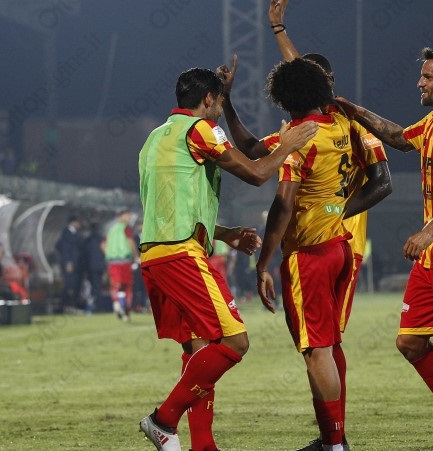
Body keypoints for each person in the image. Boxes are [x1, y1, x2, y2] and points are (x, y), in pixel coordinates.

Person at [136, 65, 318, 451]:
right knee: (235, 342)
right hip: (183, 256)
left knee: (200, 350)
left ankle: (204, 445)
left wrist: (226, 234)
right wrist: (286, 145)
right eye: (218, 102)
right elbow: (255, 173)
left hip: (155, 255)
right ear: (207, 99)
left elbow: (167, 207)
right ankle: (163, 419)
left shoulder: (153, 139)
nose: (219, 109)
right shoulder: (201, 130)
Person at [336, 45, 433, 449]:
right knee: (410, 340)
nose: (419, 83)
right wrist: (356, 110)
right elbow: (398, 137)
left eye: (427, 77)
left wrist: (430, 229)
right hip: (430, 254)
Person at [262, 2, 393, 448]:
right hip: (336, 244)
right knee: (328, 346)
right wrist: (279, 30)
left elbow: (383, 183)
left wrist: (337, 209)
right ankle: (330, 438)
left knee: (319, 348)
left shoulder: (331, 128)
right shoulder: (333, 119)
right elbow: (298, 76)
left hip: (325, 246)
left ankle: (336, 441)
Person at [104, 210, 138, 321]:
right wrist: (136, 256)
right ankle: (125, 310)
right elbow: (130, 242)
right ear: (121, 216)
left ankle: (116, 303)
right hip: (124, 261)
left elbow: (104, 244)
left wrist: (109, 254)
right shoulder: (126, 228)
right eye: (127, 215)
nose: (129, 218)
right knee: (126, 286)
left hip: (112, 261)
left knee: (115, 284)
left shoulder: (112, 229)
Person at [55, 215, 83, 312]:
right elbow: (65, 249)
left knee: (75, 285)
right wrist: (68, 262)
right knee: (69, 285)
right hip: (70, 264)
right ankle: (65, 306)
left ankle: (72, 305)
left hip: (77, 264)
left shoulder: (77, 233)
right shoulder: (66, 234)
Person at [81, 221, 106, 315]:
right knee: (98, 286)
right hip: (99, 266)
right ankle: (99, 306)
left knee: (93, 287)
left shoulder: (87, 240)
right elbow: (104, 251)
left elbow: (85, 254)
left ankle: (94, 306)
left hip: (90, 267)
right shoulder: (101, 238)